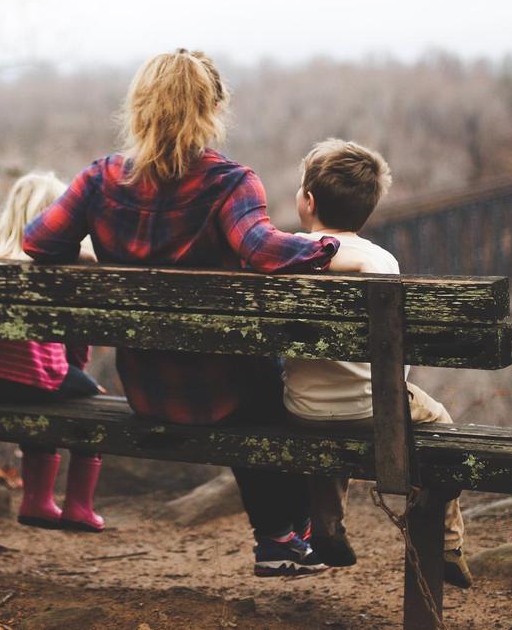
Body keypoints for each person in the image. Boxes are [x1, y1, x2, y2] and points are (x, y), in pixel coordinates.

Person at [23, 49, 340, 576]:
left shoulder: (99, 180)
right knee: (274, 384)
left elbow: (38, 242)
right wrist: (327, 247)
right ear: (212, 108)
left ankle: (286, 536)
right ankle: (284, 535)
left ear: (139, 107)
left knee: (255, 381)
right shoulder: (229, 183)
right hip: (225, 393)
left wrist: (87, 255)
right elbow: (262, 250)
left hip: (147, 390)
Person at [283, 138, 473, 588]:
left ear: (308, 202)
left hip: (302, 409)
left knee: (326, 420)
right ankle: (447, 543)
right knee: (440, 423)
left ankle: (326, 526)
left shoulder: (285, 254)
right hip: (375, 408)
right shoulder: (381, 261)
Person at [0, 172, 106, 532]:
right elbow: (76, 340)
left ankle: (37, 500)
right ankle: (78, 506)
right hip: (36, 379)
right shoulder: (57, 270)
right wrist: (79, 375)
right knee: (91, 401)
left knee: (44, 391)